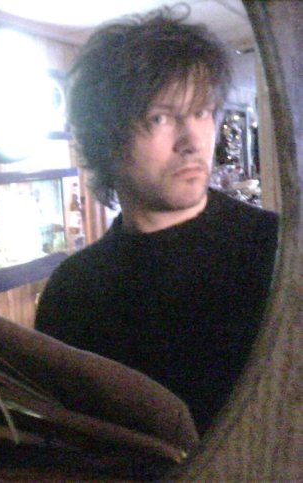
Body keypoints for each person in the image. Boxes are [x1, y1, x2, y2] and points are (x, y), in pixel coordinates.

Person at [35, 6, 279, 435]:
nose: (192, 141)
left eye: (201, 111)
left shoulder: (277, 251)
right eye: (160, 117)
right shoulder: (72, 294)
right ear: (105, 139)